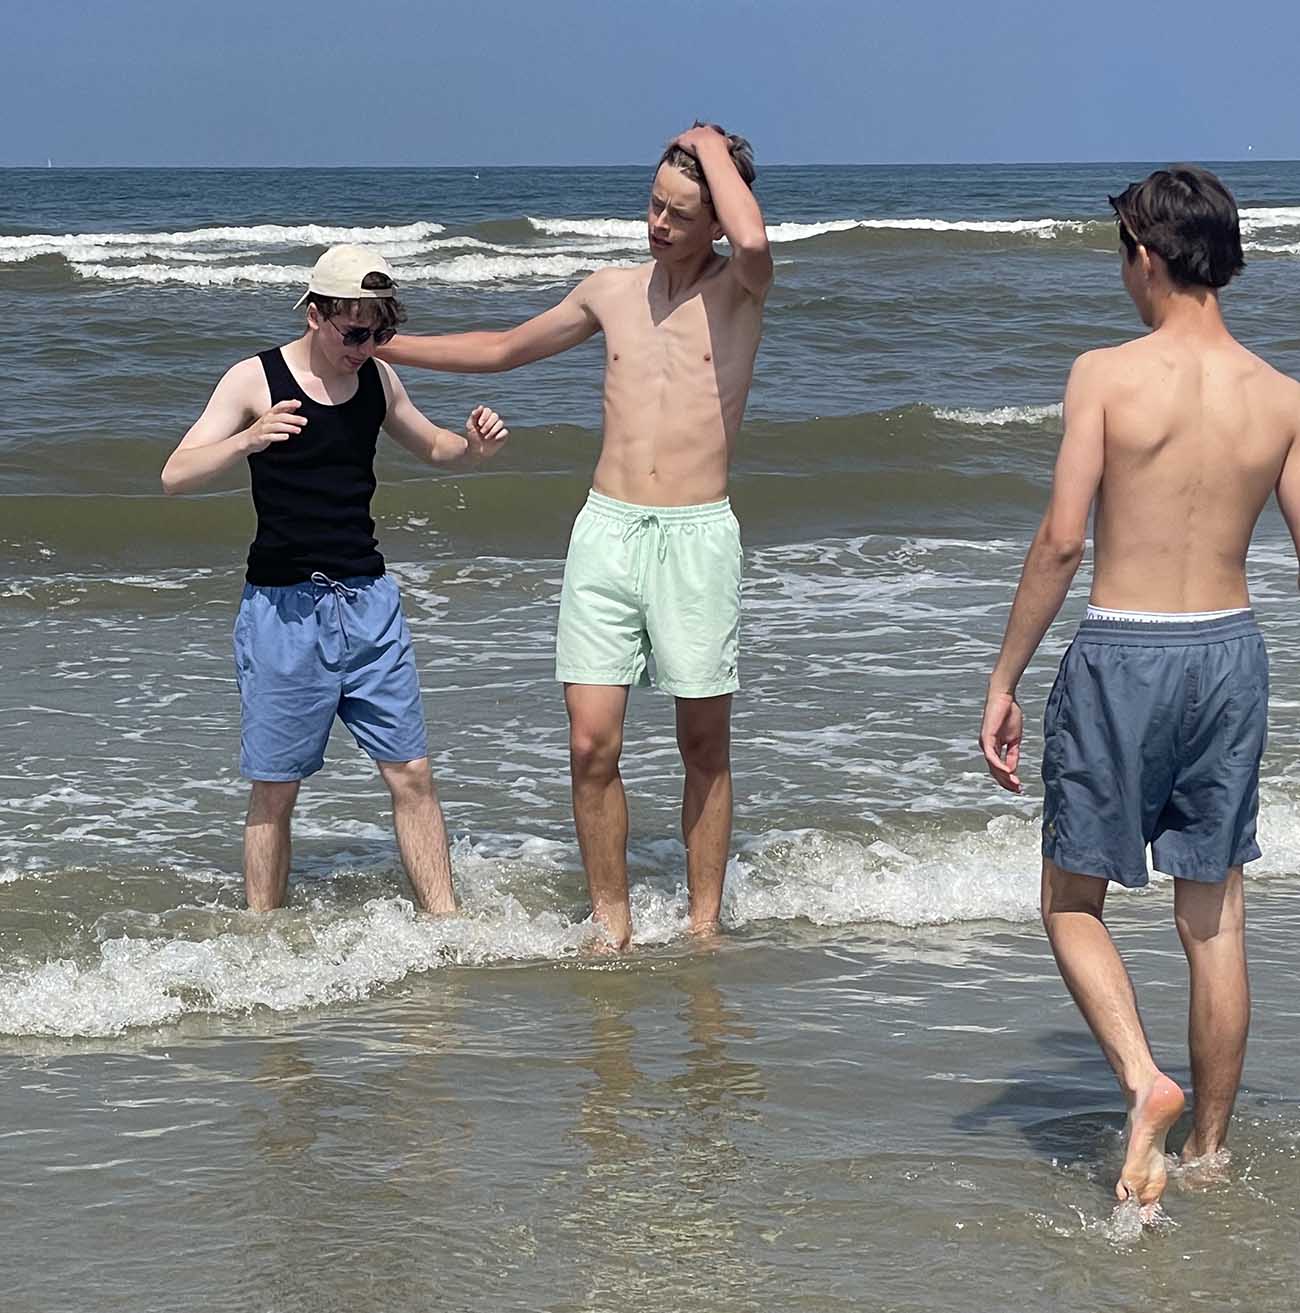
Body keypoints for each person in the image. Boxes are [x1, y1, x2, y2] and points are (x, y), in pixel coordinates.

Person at [979, 166, 1300, 1214]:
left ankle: (1141, 1078)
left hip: (1125, 650)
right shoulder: (1281, 396)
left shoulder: (1105, 376)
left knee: (1071, 899)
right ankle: (1207, 1151)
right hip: (1230, 654)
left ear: (1148, 258)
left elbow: (1062, 540)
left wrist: (1005, 676)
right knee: (1215, 919)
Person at [380, 123, 773, 949]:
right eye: (653, 205)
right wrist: (385, 344)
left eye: (680, 213)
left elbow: (753, 239)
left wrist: (706, 140)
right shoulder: (610, 291)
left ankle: (704, 926)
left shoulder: (740, 289)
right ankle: (612, 922)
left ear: (712, 220)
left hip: (696, 536)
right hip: (608, 533)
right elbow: (501, 348)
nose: (658, 223)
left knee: (703, 743)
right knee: (591, 742)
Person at [161, 245, 509, 912]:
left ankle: (446, 924)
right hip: (283, 611)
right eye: (354, 333)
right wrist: (248, 439)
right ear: (315, 315)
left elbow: (434, 445)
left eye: (378, 334)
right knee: (275, 787)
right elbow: (175, 474)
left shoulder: (377, 379)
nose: (365, 347)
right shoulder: (254, 379)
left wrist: (475, 448)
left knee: (412, 773)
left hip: (369, 604)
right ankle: (265, 935)